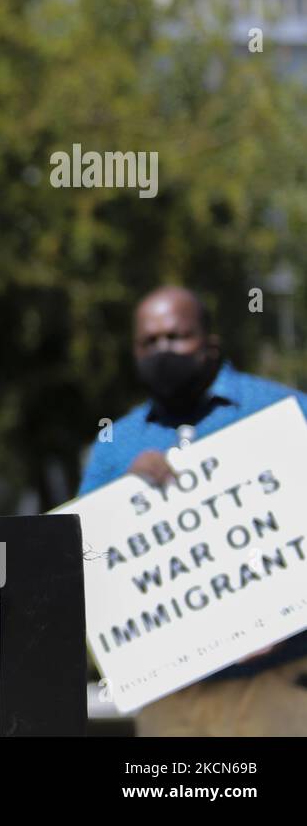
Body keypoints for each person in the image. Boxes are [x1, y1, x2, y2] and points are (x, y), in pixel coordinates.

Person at [78, 285, 307, 736]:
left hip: (278, 685)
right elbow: (84, 559)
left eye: (176, 337)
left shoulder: (283, 410)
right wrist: (124, 503)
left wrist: (282, 612)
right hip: (171, 703)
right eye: (149, 342)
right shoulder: (114, 445)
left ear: (210, 343)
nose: (162, 350)